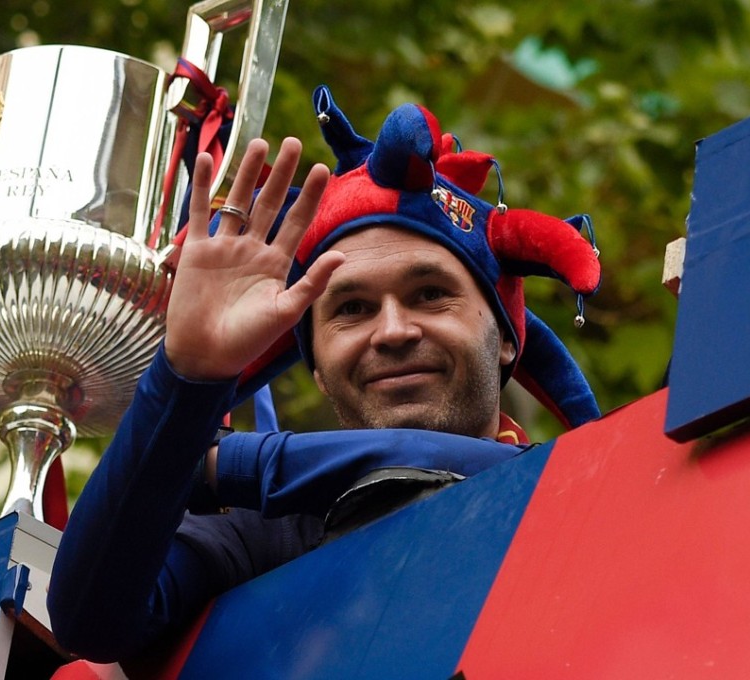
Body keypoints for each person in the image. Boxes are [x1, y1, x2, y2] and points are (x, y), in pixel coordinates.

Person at [46, 85, 601, 664]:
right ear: (317, 371)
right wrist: (188, 377)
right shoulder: (267, 528)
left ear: (508, 339)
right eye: (351, 309)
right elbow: (92, 621)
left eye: (431, 294)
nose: (392, 331)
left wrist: (229, 465)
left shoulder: (579, 499)